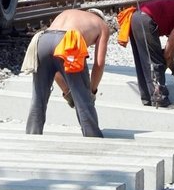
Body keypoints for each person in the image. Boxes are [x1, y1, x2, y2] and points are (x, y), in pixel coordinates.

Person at [24, 8, 110, 137]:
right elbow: (99, 63)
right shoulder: (102, 25)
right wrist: (91, 90)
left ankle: (32, 135)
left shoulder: (71, 14)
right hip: (68, 41)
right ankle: (93, 137)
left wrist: (66, 90)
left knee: (38, 97)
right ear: (101, 17)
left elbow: (57, 66)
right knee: (83, 99)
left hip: (43, 40)